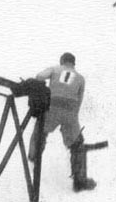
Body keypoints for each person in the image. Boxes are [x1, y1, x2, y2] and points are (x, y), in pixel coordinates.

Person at [28, 53, 96, 192]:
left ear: (62, 61)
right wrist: (72, 121)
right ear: (73, 63)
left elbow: (39, 76)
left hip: (52, 108)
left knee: (40, 131)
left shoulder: (55, 69)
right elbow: (79, 100)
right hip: (70, 111)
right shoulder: (80, 78)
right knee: (77, 145)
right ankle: (79, 181)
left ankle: (33, 157)